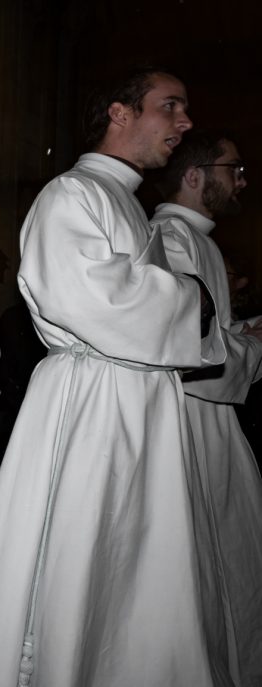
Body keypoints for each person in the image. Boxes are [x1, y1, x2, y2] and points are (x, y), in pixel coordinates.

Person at [0, 68, 232, 687]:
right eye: (169, 106)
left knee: (131, 569)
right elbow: (85, 296)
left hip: (137, 400)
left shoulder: (125, 200)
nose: (183, 124)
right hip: (95, 401)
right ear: (120, 114)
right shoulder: (71, 195)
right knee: (79, 562)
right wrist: (190, 298)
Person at [151, 130, 262, 685]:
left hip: (211, 421)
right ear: (195, 176)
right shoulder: (171, 238)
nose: (240, 179)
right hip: (189, 423)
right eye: (232, 168)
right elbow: (186, 349)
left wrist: (239, 334)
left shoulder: (201, 239)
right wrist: (251, 346)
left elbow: (211, 332)